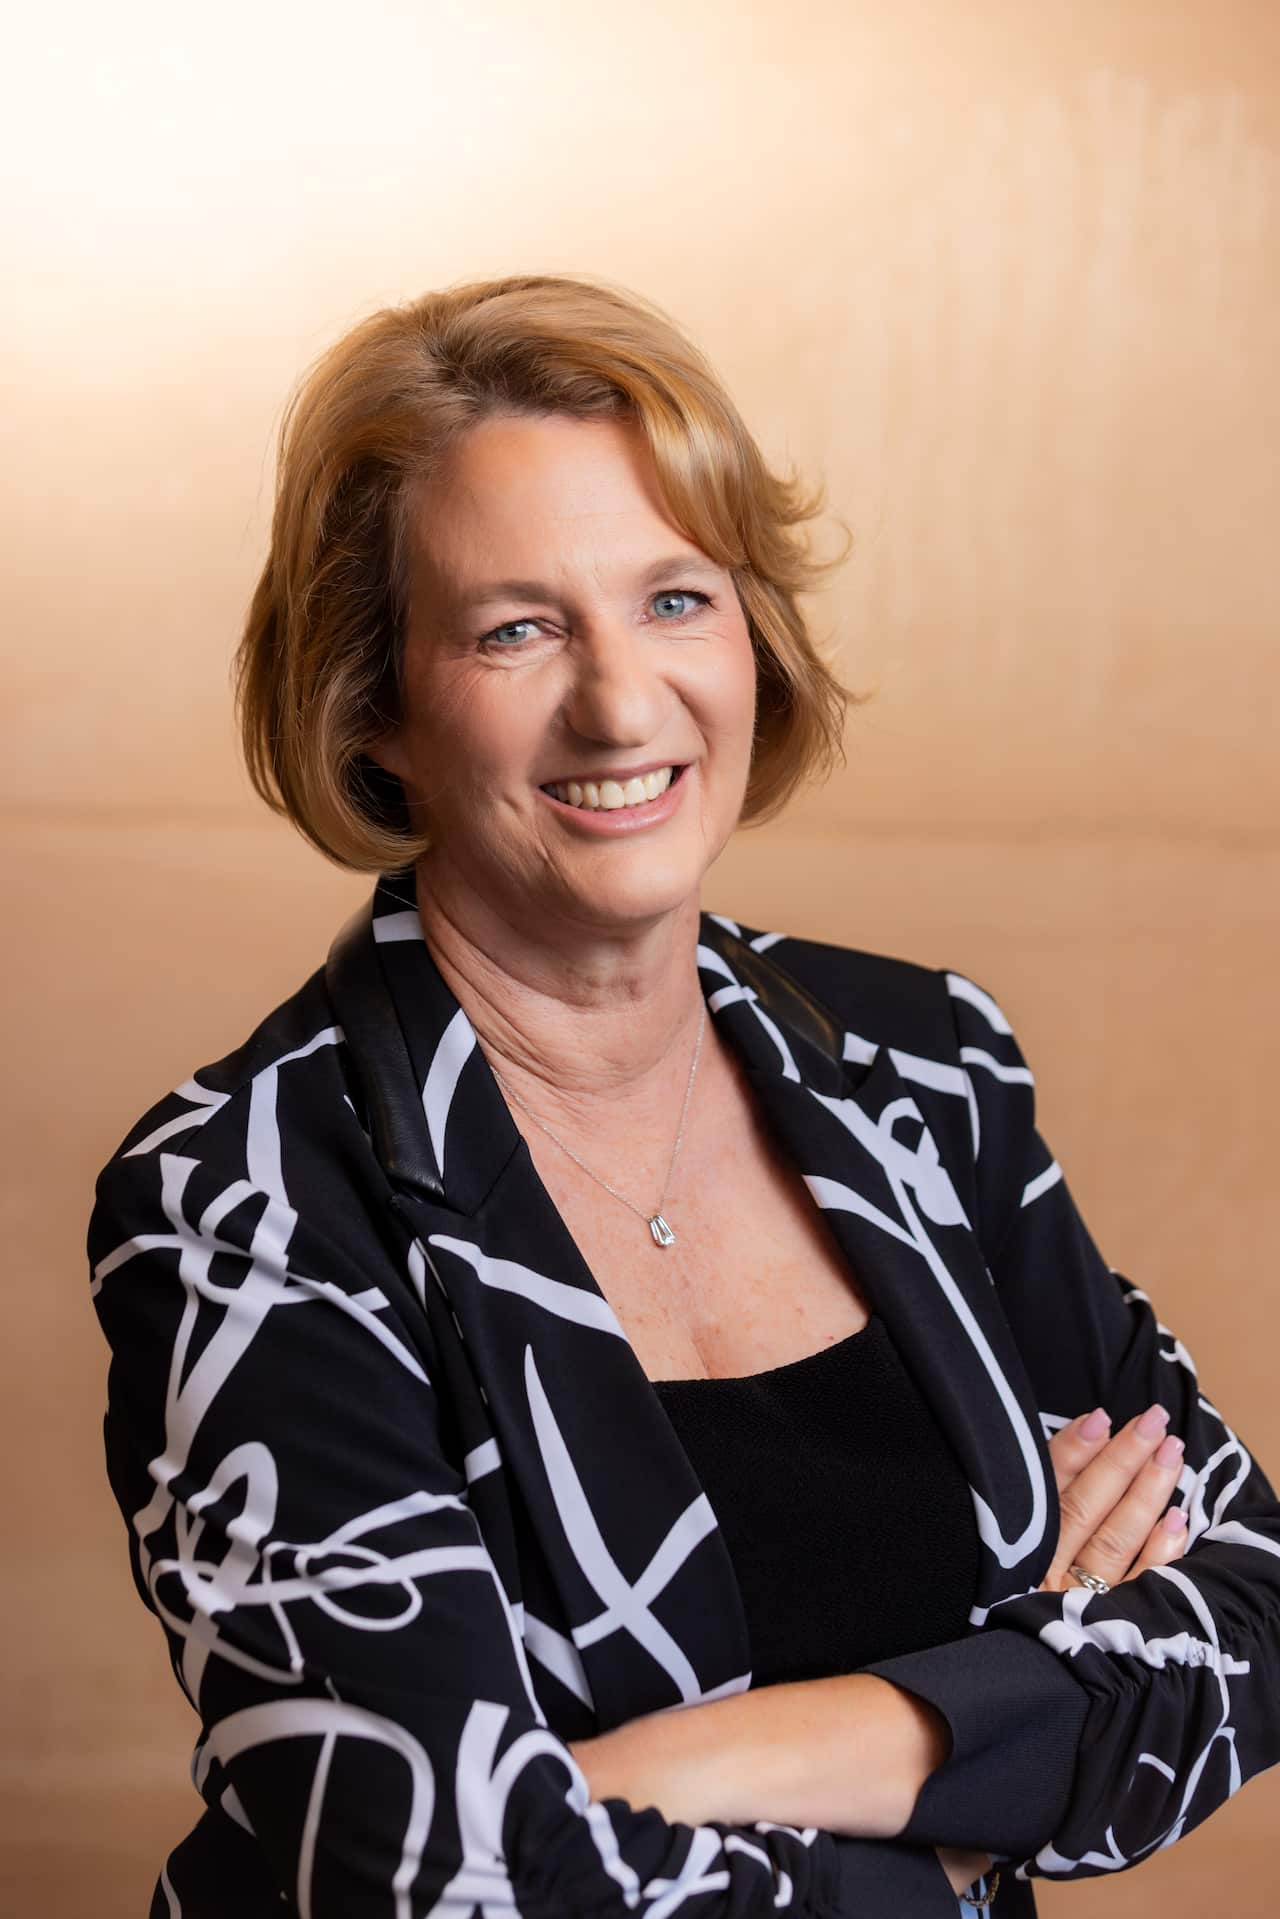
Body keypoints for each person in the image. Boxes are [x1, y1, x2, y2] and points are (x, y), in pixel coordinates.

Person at [87, 273, 1280, 1918]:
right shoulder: (245, 1198)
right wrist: (987, 1748)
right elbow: (429, 1869)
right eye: (517, 629)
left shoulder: (923, 1063)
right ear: (379, 711)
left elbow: (1245, 1608)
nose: (622, 703)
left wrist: (681, 1774)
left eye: (674, 600)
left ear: (752, 630)